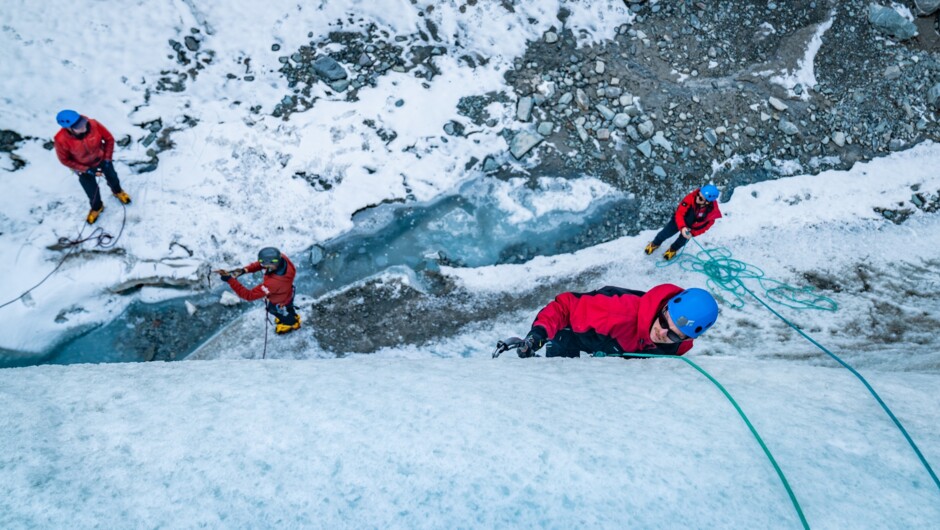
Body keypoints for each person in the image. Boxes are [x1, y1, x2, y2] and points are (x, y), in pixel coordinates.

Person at [516, 284, 718, 358]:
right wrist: (539, 334)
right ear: (664, 308)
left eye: (673, 334)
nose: (662, 333)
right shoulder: (618, 313)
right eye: (664, 322)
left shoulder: (676, 349)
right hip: (571, 337)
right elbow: (566, 306)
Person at [53, 110, 131, 224]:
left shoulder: (93, 124)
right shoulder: (60, 139)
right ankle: (97, 207)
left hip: (102, 160)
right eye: (78, 126)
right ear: (68, 128)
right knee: (91, 191)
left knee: (112, 177)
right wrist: (85, 170)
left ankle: (118, 191)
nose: (83, 126)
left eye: (82, 122)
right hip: (83, 168)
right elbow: (65, 160)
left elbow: (109, 139)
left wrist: (107, 159)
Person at [218, 247, 301, 335]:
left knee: (273, 310)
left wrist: (230, 280)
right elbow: (262, 264)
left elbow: (249, 295)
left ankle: (291, 322)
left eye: (265, 265)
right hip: (287, 292)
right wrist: (245, 270)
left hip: (278, 300)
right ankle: (291, 314)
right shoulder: (282, 258)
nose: (263, 266)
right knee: (288, 305)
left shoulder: (274, 282)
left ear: (272, 264)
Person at [644, 184, 722, 261]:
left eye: (701, 198)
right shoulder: (691, 198)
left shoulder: (712, 214)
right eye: (698, 194)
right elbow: (680, 213)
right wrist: (682, 227)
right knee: (665, 233)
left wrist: (693, 233)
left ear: (707, 202)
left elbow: (705, 227)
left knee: (681, 241)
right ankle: (655, 244)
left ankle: (673, 250)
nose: (697, 198)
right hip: (679, 221)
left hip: (691, 229)